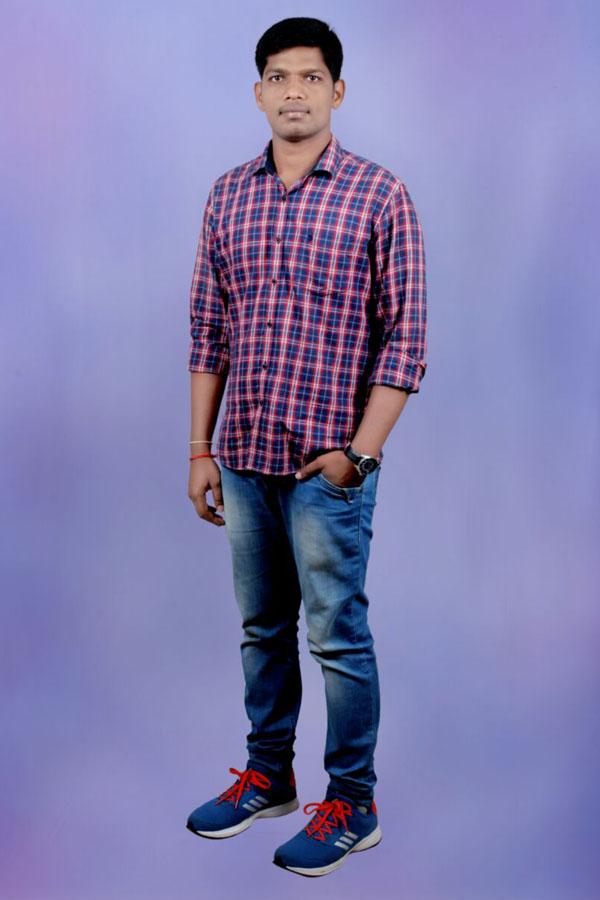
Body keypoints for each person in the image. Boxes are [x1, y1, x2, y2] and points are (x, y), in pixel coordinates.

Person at [185, 16, 428, 877]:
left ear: (338, 91)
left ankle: (353, 804)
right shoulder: (227, 195)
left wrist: (358, 455)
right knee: (262, 629)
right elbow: (208, 330)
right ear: (259, 92)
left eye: (311, 77)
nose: (295, 91)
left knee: (335, 635)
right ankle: (270, 777)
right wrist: (200, 449)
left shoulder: (379, 195)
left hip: (329, 466)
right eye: (279, 77)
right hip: (244, 456)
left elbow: (405, 340)